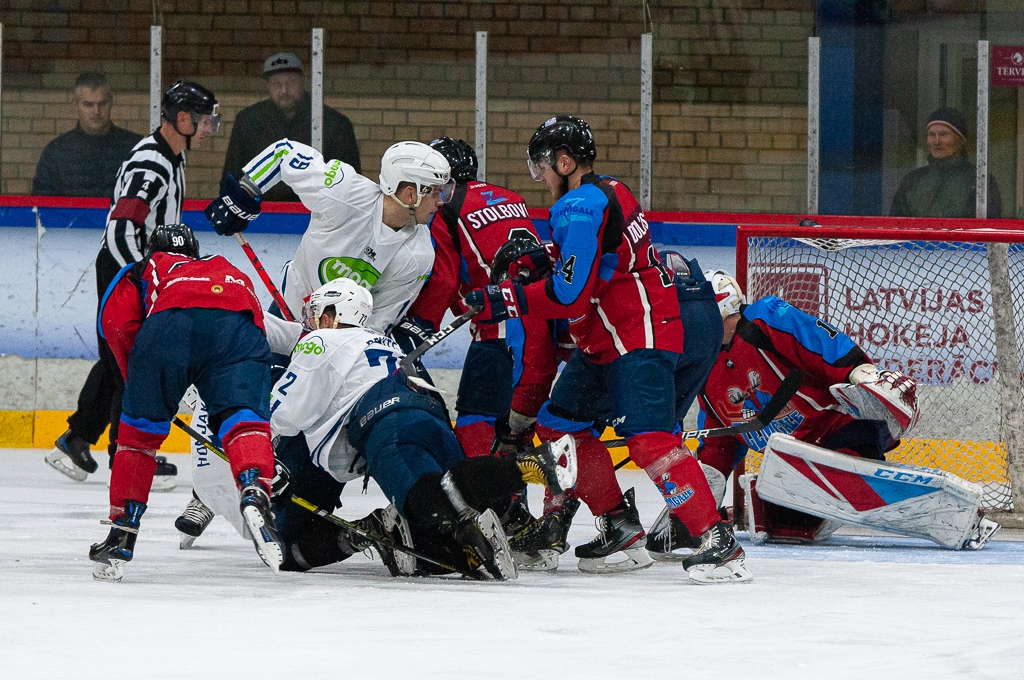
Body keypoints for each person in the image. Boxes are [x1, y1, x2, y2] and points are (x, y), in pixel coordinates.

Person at [466, 115, 750, 584]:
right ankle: (619, 524)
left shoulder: (579, 205)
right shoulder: (609, 190)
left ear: (564, 161)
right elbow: (601, 260)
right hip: (607, 340)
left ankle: (717, 541)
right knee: (559, 425)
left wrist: (505, 298)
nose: (539, 177)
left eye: (542, 166)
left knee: (649, 440)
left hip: (638, 335)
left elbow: (570, 295)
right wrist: (547, 259)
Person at [650, 272, 1000, 556]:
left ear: (723, 313)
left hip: (840, 426)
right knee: (783, 521)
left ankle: (949, 508)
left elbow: (819, 341)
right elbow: (720, 439)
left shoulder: (765, 318)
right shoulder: (701, 366)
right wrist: (697, 502)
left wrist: (860, 373)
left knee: (845, 460)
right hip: (794, 462)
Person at [265, 279, 576, 579]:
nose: (312, 322)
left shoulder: (322, 340)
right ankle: (462, 547)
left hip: (388, 424)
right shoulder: (383, 340)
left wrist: (257, 442)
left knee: (424, 501)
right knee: (434, 537)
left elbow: (288, 414)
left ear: (333, 315)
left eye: (318, 313)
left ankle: (526, 467)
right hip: (430, 417)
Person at [45, 80, 221, 487]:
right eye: (204, 117)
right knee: (135, 360)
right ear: (182, 119)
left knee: (117, 357)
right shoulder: (152, 163)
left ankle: (77, 438)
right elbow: (123, 229)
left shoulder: (172, 155)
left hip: (138, 269)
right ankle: (124, 454)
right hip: (127, 271)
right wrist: (140, 279)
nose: (210, 125)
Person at [88, 224, 280, 582]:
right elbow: (253, 321)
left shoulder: (141, 269)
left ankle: (121, 535)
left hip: (170, 325)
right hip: (239, 328)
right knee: (246, 421)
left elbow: (116, 325)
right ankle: (255, 487)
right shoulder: (225, 266)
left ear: (151, 250)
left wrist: (143, 388)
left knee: (138, 439)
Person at [206, 138, 451, 335]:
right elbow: (284, 153)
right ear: (410, 193)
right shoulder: (344, 193)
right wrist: (246, 190)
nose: (441, 202)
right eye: (436, 192)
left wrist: (334, 349)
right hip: (286, 314)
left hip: (337, 344)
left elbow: (377, 324)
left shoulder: (418, 254)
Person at [400, 137, 543, 458]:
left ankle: (491, 501)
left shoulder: (445, 204)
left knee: (474, 423)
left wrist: (419, 324)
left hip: (499, 332)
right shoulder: (512, 197)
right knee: (519, 424)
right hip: (543, 324)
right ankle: (522, 500)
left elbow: (446, 280)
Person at [221, 51, 361, 203]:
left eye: (291, 82)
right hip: (261, 214)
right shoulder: (248, 120)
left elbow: (349, 181)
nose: (284, 90)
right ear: (268, 86)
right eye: (277, 84)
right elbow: (231, 176)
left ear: (303, 81)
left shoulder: (333, 123)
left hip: (317, 215)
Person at [32, 72, 143, 198]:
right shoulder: (56, 152)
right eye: (88, 105)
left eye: (102, 104)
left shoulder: (135, 148)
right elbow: (42, 205)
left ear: (111, 102)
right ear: (75, 105)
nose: (96, 111)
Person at [890, 106, 1002, 218]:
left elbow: (987, 227)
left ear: (961, 140)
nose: (936, 141)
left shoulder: (980, 181)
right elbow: (896, 224)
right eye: (931, 135)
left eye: (944, 134)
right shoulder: (912, 181)